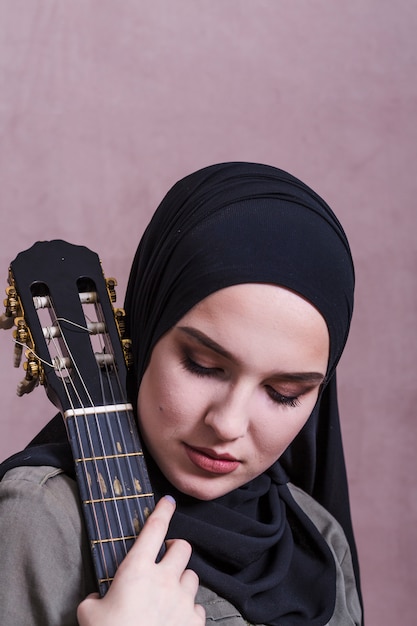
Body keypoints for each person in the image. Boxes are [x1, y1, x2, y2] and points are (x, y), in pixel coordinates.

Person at [0, 162, 363, 625]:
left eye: (283, 392)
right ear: (148, 329)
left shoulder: (317, 534)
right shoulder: (37, 517)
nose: (228, 424)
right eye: (204, 366)